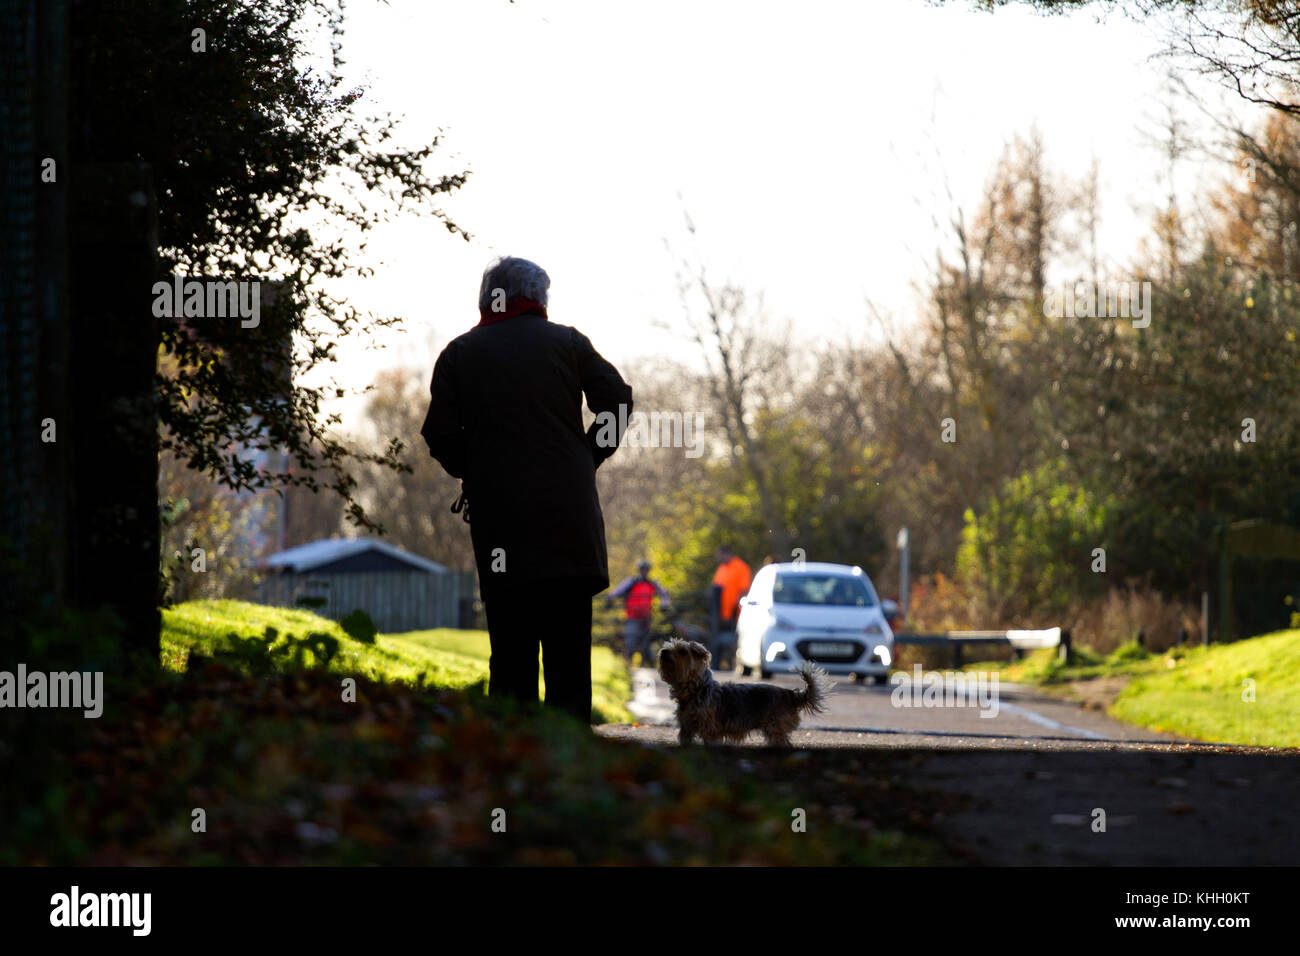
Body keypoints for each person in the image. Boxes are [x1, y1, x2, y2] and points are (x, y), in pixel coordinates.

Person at [420, 256, 632, 723]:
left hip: (502, 525)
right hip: (568, 524)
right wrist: (587, 456)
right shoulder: (569, 344)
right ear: (537, 299)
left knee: (511, 652)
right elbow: (617, 400)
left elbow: (438, 433)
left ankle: (513, 759)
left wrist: (475, 471)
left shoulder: (459, 353)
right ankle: (572, 762)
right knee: (569, 657)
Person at [608, 559, 671, 664]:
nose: (644, 571)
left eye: (646, 569)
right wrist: (610, 598)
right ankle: (627, 664)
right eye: (642, 569)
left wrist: (664, 605)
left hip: (646, 617)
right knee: (630, 641)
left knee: (645, 643)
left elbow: (664, 594)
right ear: (639, 570)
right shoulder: (632, 581)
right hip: (632, 616)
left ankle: (644, 665)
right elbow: (617, 591)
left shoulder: (652, 583)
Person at [709, 545, 752, 670]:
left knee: (734, 642)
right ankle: (719, 665)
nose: (719, 558)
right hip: (721, 616)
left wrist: (736, 606)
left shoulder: (741, 567)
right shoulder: (721, 569)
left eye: (720, 555)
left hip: (736, 614)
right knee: (718, 642)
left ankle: (735, 665)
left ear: (727, 553)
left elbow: (744, 589)